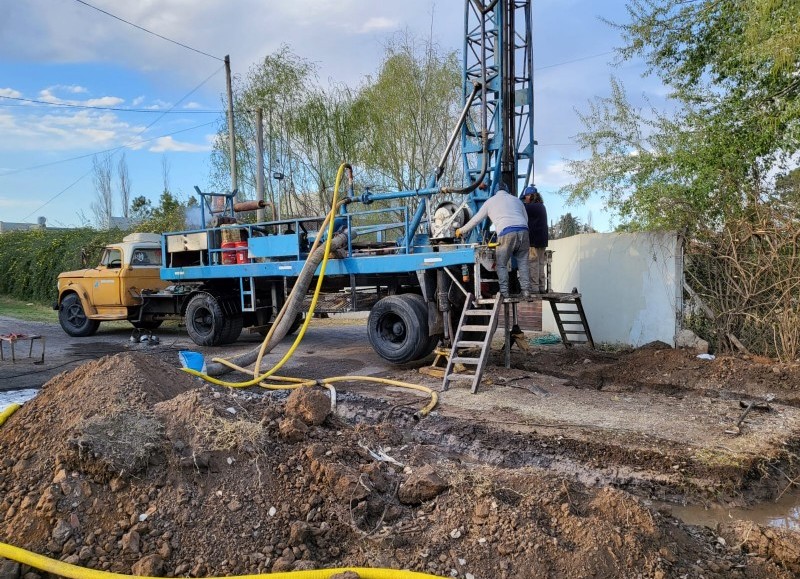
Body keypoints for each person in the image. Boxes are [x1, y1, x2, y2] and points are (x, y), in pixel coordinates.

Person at [456, 182, 532, 299]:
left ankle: (505, 292)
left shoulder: (490, 201)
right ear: (507, 190)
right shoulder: (516, 200)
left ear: (495, 191)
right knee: (523, 262)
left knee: (501, 264)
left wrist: (461, 230)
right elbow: (526, 219)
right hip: (524, 231)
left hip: (506, 232)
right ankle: (526, 292)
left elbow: (476, 220)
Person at [521, 185, 548, 293]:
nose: (525, 199)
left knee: (533, 264)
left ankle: (534, 289)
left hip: (534, 241)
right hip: (542, 241)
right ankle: (541, 287)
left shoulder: (531, 207)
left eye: (526, 197)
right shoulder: (541, 206)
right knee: (541, 264)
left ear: (531, 196)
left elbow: (520, 207)